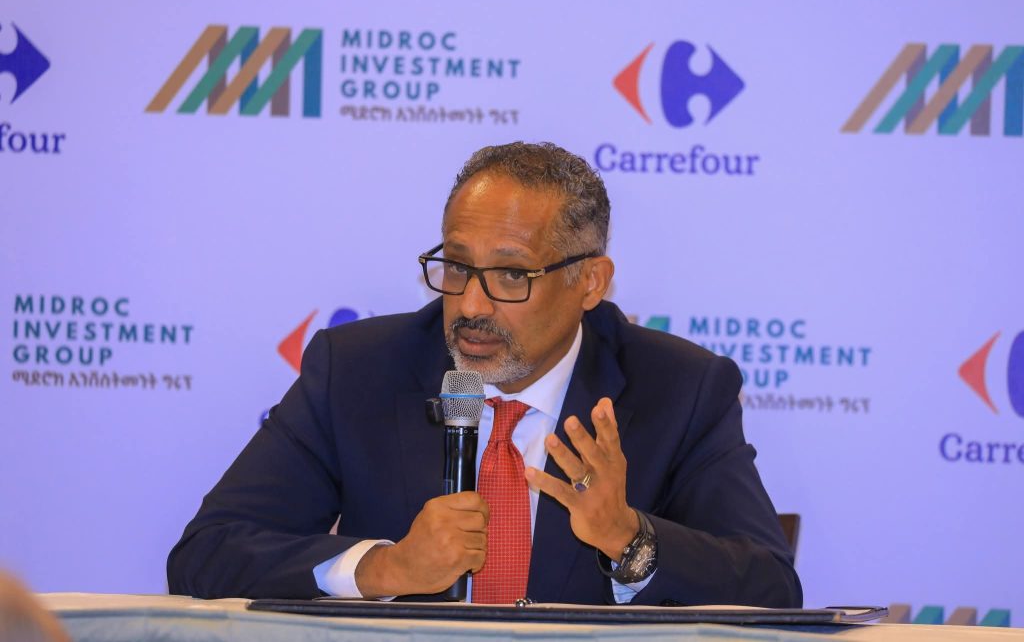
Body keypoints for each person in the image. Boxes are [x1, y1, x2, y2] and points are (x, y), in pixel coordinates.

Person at [168, 141, 801, 606]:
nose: (471, 304)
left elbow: (772, 588)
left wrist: (628, 539)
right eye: (457, 266)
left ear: (590, 282)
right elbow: (206, 554)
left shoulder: (680, 388)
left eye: (511, 274)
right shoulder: (358, 370)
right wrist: (385, 568)